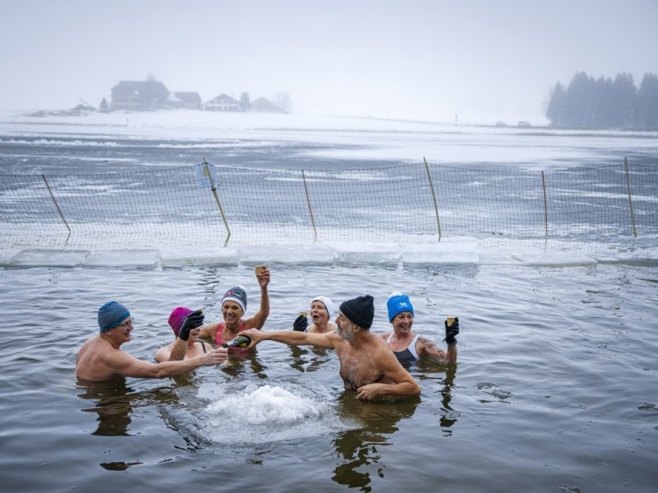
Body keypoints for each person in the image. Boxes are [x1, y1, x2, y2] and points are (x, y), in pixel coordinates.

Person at [243, 295, 421, 400]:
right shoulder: (340, 339)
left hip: (377, 411)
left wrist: (381, 389)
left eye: (342, 318)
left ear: (356, 327)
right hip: (349, 400)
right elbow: (302, 338)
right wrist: (264, 335)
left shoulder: (379, 353)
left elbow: (413, 387)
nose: (335, 321)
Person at [76, 301, 227, 382]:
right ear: (108, 329)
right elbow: (157, 371)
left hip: (89, 392)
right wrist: (202, 361)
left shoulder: (91, 342)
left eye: (131, 321)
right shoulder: (112, 355)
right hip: (105, 399)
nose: (132, 327)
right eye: (126, 324)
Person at [199, 265, 271, 347]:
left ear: (242, 312)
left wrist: (263, 288)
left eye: (235, 307)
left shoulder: (250, 327)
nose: (229, 311)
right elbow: (190, 337)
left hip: (244, 360)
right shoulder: (213, 330)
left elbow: (264, 313)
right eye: (226, 307)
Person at [380, 292, 458, 366]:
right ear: (392, 320)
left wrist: (451, 342)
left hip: (411, 378)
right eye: (401, 317)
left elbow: (449, 362)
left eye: (409, 316)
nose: (406, 321)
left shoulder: (421, 343)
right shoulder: (382, 339)